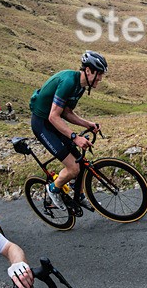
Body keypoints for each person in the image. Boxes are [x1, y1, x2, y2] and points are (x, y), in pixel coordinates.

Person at [29, 51, 106, 210]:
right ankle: (53, 190)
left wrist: (87, 124)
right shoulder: (68, 82)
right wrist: (74, 137)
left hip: (55, 123)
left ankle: (79, 196)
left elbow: (66, 112)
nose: (100, 78)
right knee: (73, 167)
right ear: (88, 70)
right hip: (42, 125)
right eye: (98, 74)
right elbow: (53, 117)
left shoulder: (81, 86)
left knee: (81, 162)